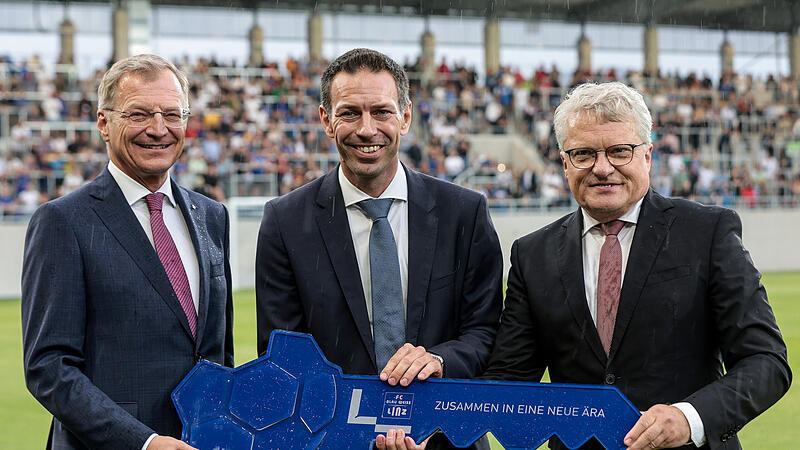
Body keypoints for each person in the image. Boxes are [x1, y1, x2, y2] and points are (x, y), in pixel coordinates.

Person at [483, 81, 791, 450]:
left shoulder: (707, 233)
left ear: (647, 156)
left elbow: (766, 361)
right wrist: (428, 410)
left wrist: (689, 417)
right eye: (583, 154)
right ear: (565, 164)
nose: (602, 167)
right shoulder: (532, 254)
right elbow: (510, 381)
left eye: (619, 151)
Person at [256, 48, 503, 450]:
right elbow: (282, 356)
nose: (367, 129)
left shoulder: (464, 212)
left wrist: (438, 361)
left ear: (405, 117)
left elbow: (487, 333)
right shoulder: (285, 221)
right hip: (334, 442)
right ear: (325, 120)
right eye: (350, 112)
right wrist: (361, 427)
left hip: (447, 440)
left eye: (382, 112)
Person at [21, 54, 234, 450]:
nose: (158, 129)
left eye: (172, 114)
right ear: (104, 123)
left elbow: (219, 353)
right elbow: (48, 367)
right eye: (139, 114)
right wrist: (145, 442)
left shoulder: (212, 216)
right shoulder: (63, 221)